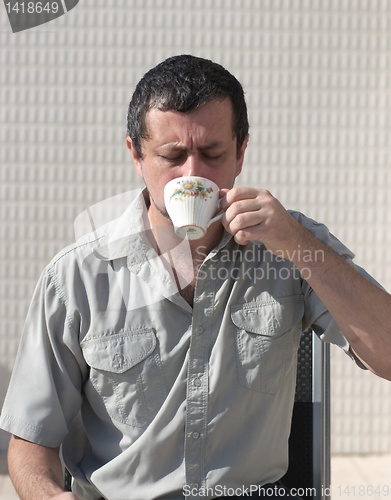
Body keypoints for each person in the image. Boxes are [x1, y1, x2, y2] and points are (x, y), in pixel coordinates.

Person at [1, 54, 391, 500]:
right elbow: (30, 441)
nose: (193, 174)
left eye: (212, 154)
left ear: (241, 152)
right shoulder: (77, 277)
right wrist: (48, 495)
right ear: (136, 156)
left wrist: (297, 244)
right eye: (172, 155)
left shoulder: (291, 245)